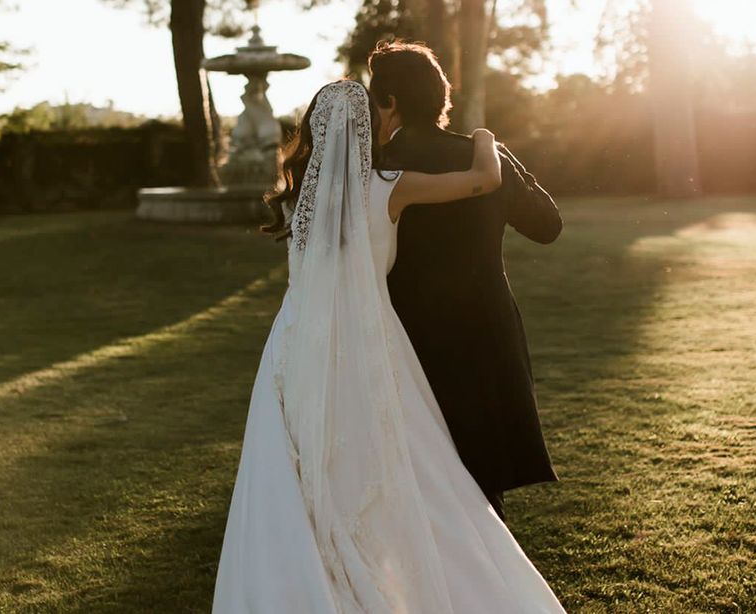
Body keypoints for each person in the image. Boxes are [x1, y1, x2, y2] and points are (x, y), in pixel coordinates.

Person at [212, 80, 564, 613]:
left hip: (295, 339)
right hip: (369, 333)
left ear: (315, 131)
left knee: (300, 459)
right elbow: (482, 179)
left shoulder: (299, 201)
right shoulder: (391, 186)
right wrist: (487, 135)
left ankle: (310, 575)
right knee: (398, 455)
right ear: (368, 126)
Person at [370, 41, 563, 519]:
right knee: (482, 471)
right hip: (485, 326)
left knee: (424, 469)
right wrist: (508, 159)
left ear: (389, 101)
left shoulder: (372, 169)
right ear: (441, 98)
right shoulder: (484, 158)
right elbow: (546, 226)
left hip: (408, 330)